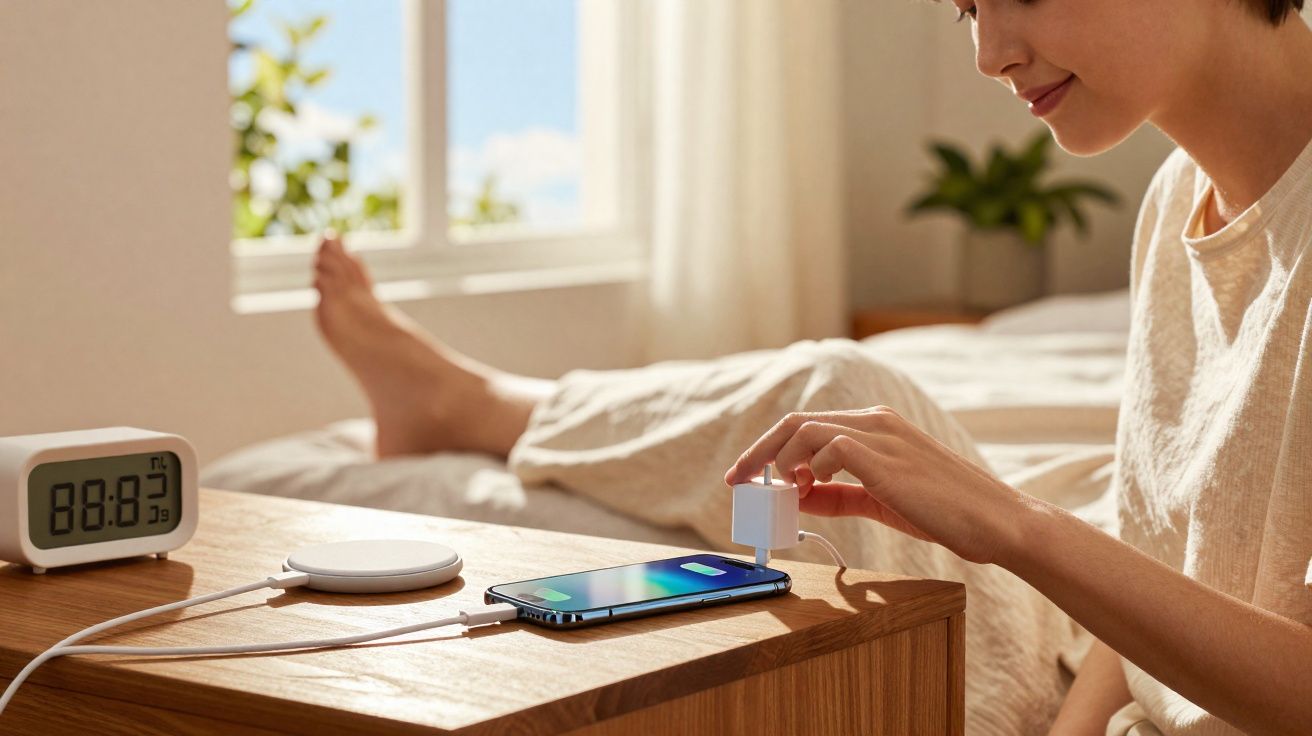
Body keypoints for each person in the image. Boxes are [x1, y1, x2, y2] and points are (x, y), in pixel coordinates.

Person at [311, 0, 1312, 732]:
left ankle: (472, 402)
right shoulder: (1173, 206)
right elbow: (1147, 591)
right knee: (836, 405)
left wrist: (1016, 529)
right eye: (964, 7)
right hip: (1085, 686)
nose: (989, 53)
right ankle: (469, 402)